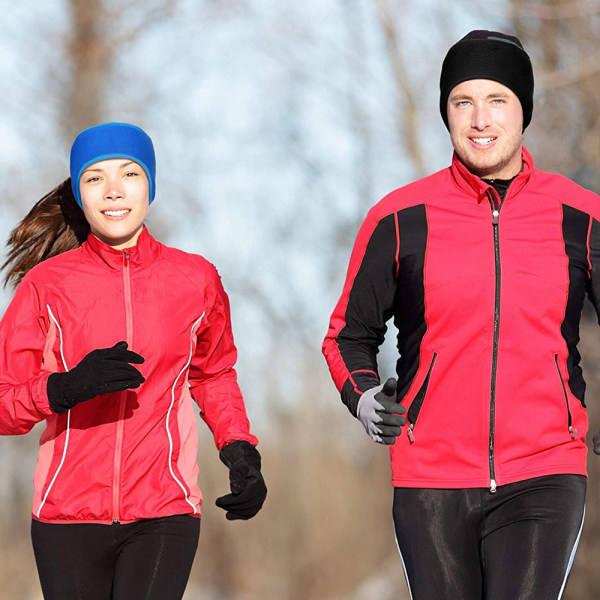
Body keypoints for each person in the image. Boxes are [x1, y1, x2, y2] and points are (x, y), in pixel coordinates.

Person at [323, 30, 599, 600]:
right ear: (446, 114)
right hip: (431, 478)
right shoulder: (400, 218)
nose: (480, 119)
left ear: (523, 111)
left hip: (546, 469)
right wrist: (366, 396)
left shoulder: (579, 215)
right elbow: (348, 336)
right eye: (462, 102)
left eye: (497, 100)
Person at [0, 122, 267, 600]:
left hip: (164, 510)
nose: (114, 190)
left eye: (130, 173)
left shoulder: (195, 279)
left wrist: (240, 449)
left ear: (151, 186)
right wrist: (63, 388)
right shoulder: (46, 285)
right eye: (95, 178)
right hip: (66, 514)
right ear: (80, 193)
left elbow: (214, 373)